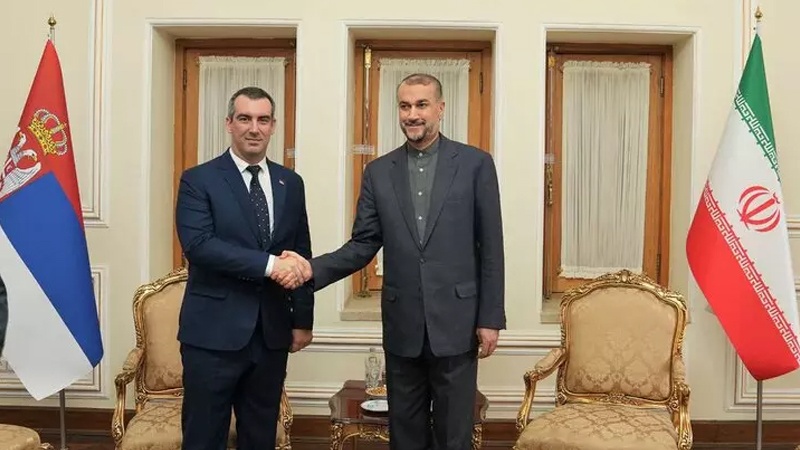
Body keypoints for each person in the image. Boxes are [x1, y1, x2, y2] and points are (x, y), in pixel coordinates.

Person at [282, 73, 505, 450]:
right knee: (404, 436)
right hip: (403, 326)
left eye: (421, 105)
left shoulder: (475, 164)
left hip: (458, 322)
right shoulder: (378, 172)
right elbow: (362, 245)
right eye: (404, 106)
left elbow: (492, 248)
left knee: (454, 437)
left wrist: (490, 318)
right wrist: (309, 268)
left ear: (440, 108)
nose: (412, 114)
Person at [174, 86, 313, 450]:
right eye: (245, 119)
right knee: (204, 438)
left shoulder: (290, 182)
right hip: (212, 337)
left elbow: (300, 251)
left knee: (260, 437)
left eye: (263, 120)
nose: (254, 128)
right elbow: (199, 246)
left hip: (270, 335)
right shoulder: (198, 179)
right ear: (229, 123)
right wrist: (270, 265)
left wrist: (302, 320)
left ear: (273, 126)